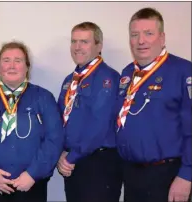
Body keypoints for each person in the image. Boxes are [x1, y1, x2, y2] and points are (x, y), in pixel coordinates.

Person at [0, 41, 64, 202]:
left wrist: (32, 174)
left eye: (18, 61)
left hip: (31, 186)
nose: (12, 66)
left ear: (27, 67)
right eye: (6, 60)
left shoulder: (43, 98)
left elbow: (54, 139)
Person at [116, 7, 191, 202]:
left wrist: (186, 175)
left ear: (162, 38)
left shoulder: (184, 72)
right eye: (135, 35)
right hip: (132, 175)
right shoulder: (127, 74)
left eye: (148, 33)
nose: (141, 41)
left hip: (168, 175)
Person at [56, 22, 122, 202]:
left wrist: (70, 157)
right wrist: (61, 153)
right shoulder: (70, 80)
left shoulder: (106, 78)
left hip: (98, 163)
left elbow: (98, 126)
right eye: (74, 41)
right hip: (73, 161)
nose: (77, 47)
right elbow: (60, 118)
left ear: (98, 46)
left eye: (84, 42)